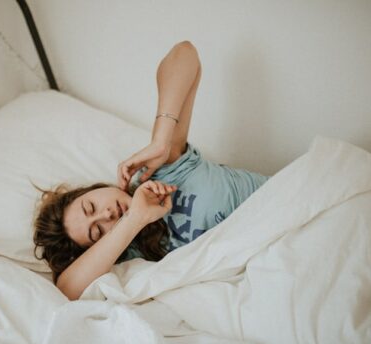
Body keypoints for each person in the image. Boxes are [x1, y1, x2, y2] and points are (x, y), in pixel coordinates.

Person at [33, 41, 270, 300]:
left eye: (91, 207)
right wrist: (134, 219)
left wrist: (160, 141)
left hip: (287, 206)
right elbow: (67, 290)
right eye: (98, 231)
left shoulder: (163, 171)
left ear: (94, 189)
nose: (107, 214)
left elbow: (185, 54)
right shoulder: (135, 257)